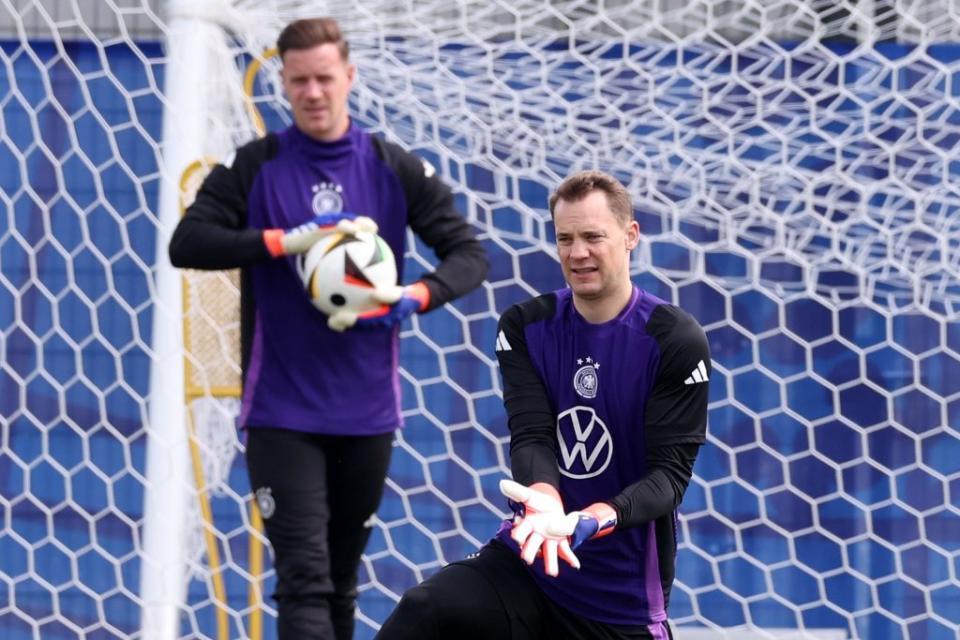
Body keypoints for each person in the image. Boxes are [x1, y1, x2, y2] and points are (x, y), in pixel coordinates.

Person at [168, 17, 488, 640]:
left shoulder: (390, 166)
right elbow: (188, 242)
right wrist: (284, 242)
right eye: (299, 82)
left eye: (324, 78)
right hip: (280, 412)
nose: (313, 92)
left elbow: (469, 254)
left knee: (341, 582)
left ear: (349, 77)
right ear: (283, 85)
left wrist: (417, 295)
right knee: (304, 580)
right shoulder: (256, 164)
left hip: (366, 412)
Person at [376, 169, 710, 640]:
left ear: (630, 235)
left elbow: (668, 478)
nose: (578, 253)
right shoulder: (525, 327)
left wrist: (592, 519)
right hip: (532, 561)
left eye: (593, 236)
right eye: (565, 239)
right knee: (428, 608)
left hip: (620, 600)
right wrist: (548, 504)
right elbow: (532, 434)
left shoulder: (672, 338)